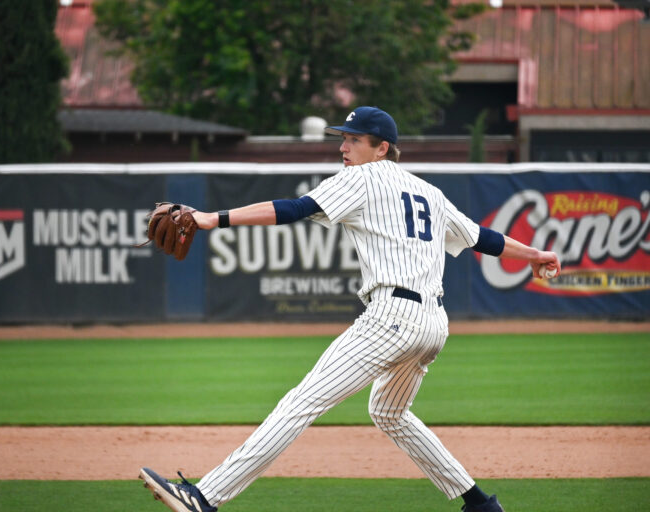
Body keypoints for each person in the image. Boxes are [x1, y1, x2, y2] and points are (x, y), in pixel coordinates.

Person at [139, 106, 561, 512]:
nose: (344, 148)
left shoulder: (362, 178)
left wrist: (216, 217)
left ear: (382, 148)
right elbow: (482, 237)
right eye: (343, 138)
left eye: (355, 140)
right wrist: (534, 254)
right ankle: (480, 503)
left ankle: (205, 497)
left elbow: (295, 209)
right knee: (389, 413)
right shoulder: (429, 192)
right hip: (432, 324)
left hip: (391, 319)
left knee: (300, 403)